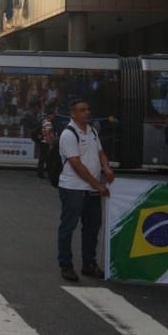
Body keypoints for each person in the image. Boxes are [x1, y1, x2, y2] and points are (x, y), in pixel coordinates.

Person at [56, 97, 114, 283]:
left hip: (92, 190)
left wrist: (106, 168)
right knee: (68, 227)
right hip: (74, 189)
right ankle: (66, 265)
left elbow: (100, 153)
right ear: (73, 114)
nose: (87, 112)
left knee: (92, 228)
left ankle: (89, 264)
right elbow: (76, 164)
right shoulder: (68, 134)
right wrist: (98, 185)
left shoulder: (92, 132)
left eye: (88, 109)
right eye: (82, 110)